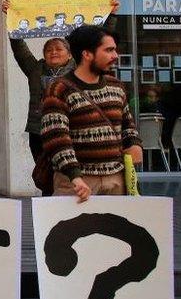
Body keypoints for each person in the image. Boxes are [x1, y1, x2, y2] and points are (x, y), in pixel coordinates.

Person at [3, 0, 119, 163]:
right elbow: (19, 47)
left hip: (73, 129)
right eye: (48, 50)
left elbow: (100, 45)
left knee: (68, 173)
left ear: (70, 53)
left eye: (58, 49)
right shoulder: (36, 69)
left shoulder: (79, 69)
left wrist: (112, 15)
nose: (53, 52)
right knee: (44, 176)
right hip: (39, 131)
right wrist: (11, 18)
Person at [41, 25, 143, 202]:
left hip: (116, 181)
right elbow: (56, 138)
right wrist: (75, 176)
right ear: (86, 54)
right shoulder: (59, 89)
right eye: (109, 50)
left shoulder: (116, 86)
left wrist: (134, 143)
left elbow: (127, 125)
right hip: (77, 184)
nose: (115, 56)